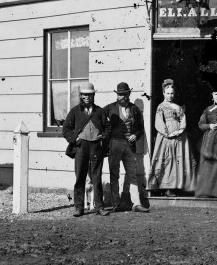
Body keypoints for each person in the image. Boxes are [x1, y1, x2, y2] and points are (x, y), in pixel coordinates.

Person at [62, 82, 110, 217]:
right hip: (81, 147)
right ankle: (79, 208)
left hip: (96, 147)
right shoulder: (75, 111)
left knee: (96, 177)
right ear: (81, 96)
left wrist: (103, 137)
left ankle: (100, 207)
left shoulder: (99, 111)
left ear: (93, 95)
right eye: (84, 95)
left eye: (89, 95)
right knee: (80, 178)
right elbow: (66, 129)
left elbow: (108, 127)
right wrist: (74, 140)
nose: (87, 97)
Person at [102, 82, 151, 213]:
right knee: (114, 175)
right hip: (115, 144)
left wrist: (135, 135)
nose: (123, 97)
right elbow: (98, 118)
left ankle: (136, 204)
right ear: (117, 95)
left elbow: (140, 128)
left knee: (132, 174)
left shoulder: (134, 109)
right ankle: (115, 203)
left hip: (130, 145)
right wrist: (105, 134)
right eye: (120, 95)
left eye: (125, 94)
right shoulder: (109, 108)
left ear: (129, 94)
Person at [149, 78, 196, 196]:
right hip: (167, 136)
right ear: (164, 93)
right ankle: (167, 187)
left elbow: (183, 119)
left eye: (172, 93)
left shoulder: (178, 107)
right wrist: (168, 133)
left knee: (178, 160)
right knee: (168, 159)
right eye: (168, 93)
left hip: (180, 136)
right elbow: (158, 121)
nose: (170, 95)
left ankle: (178, 185)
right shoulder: (161, 106)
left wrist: (180, 130)